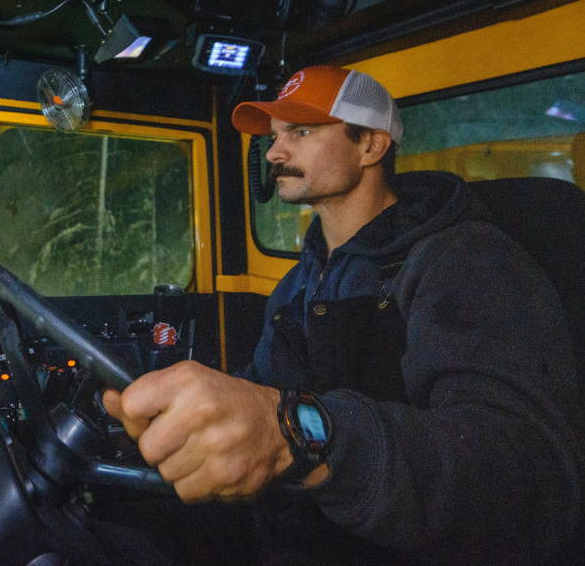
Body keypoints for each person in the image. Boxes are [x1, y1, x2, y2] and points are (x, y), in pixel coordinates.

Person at [101, 65, 584, 565]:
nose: (274, 153)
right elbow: (267, 388)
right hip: (301, 532)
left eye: (301, 132)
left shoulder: (465, 262)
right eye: (273, 136)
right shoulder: (299, 282)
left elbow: (524, 478)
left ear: (371, 146)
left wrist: (299, 436)